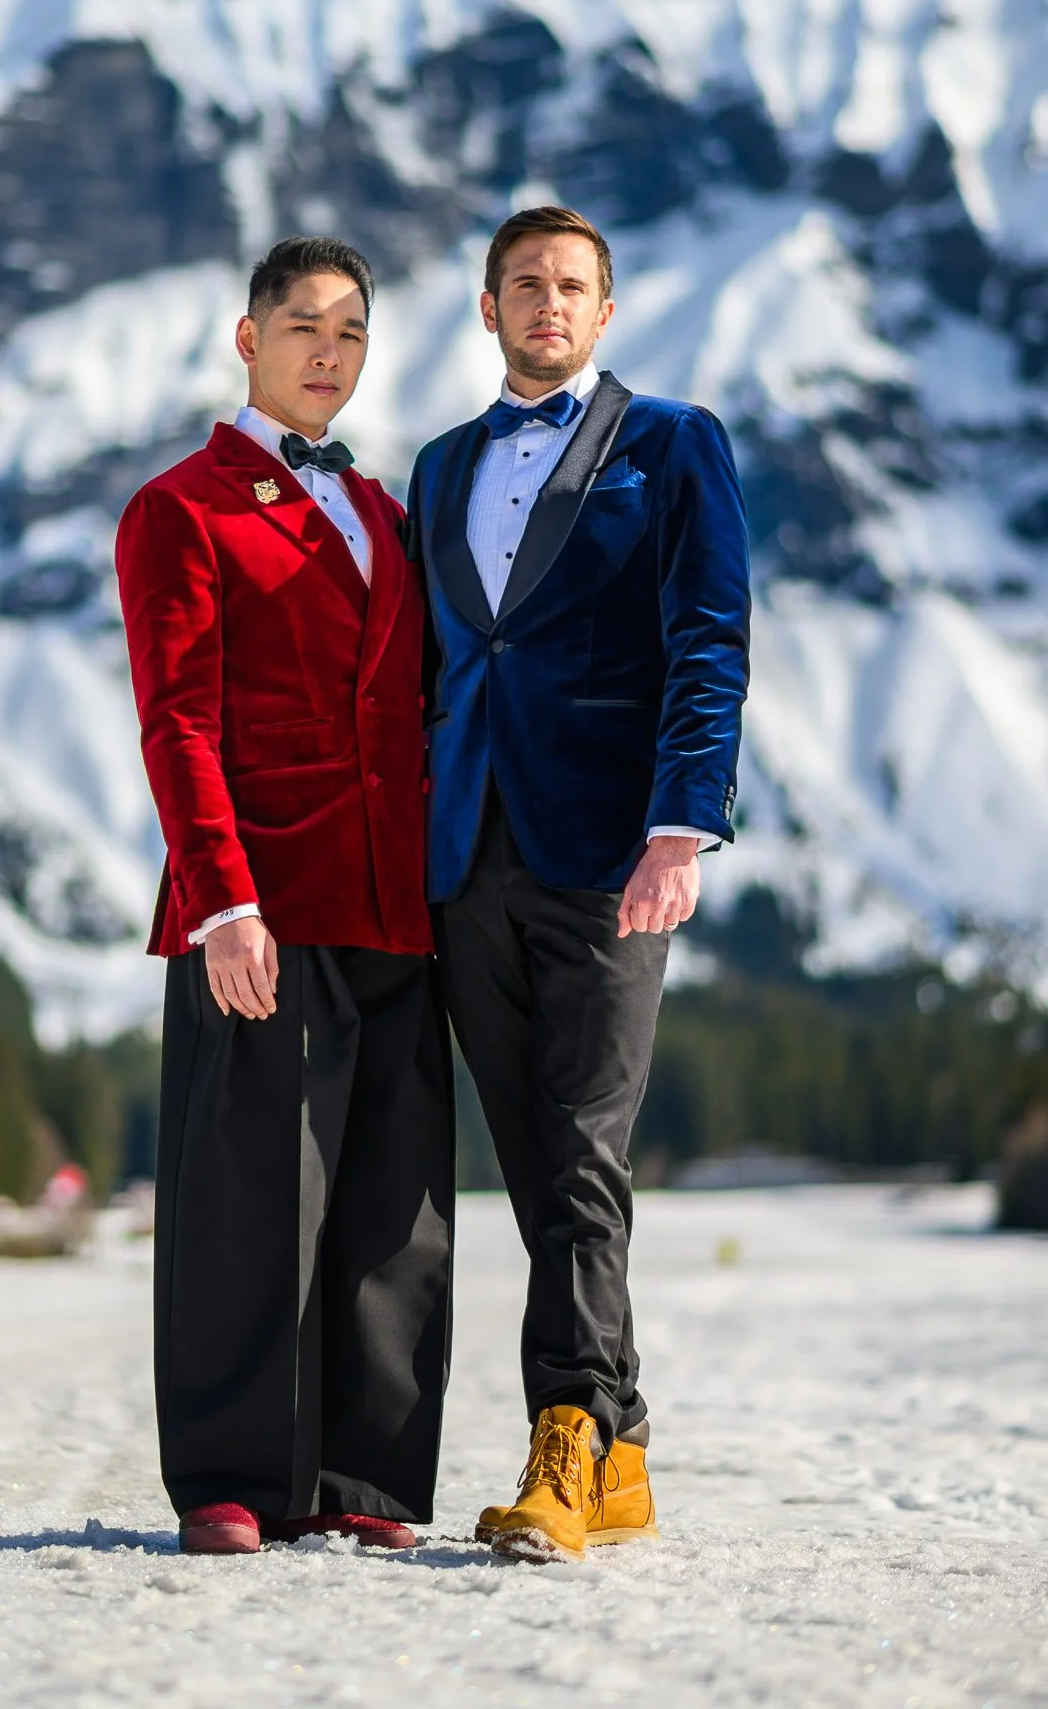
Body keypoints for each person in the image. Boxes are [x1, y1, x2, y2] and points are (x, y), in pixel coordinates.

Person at [407, 203, 751, 1561]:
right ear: (487, 309)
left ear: (606, 314)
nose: (548, 303)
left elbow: (708, 633)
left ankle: (565, 1441)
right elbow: (435, 669)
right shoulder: (437, 469)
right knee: (540, 1168)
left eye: (573, 286)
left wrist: (683, 821)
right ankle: (623, 1454)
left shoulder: (671, 445)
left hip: (610, 856)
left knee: (585, 1155)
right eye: (524, 285)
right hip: (465, 853)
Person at [116, 236, 453, 1556]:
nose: (329, 349)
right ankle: (232, 1480)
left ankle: (363, 1483)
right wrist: (220, 904)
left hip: (393, 897)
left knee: (393, 1205)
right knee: (248, 1199)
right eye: (303, 324)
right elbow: (175, 722)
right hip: (258, 900)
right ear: (245, 338)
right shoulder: (179, 509)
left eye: (351, 330)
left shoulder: (384, 513)